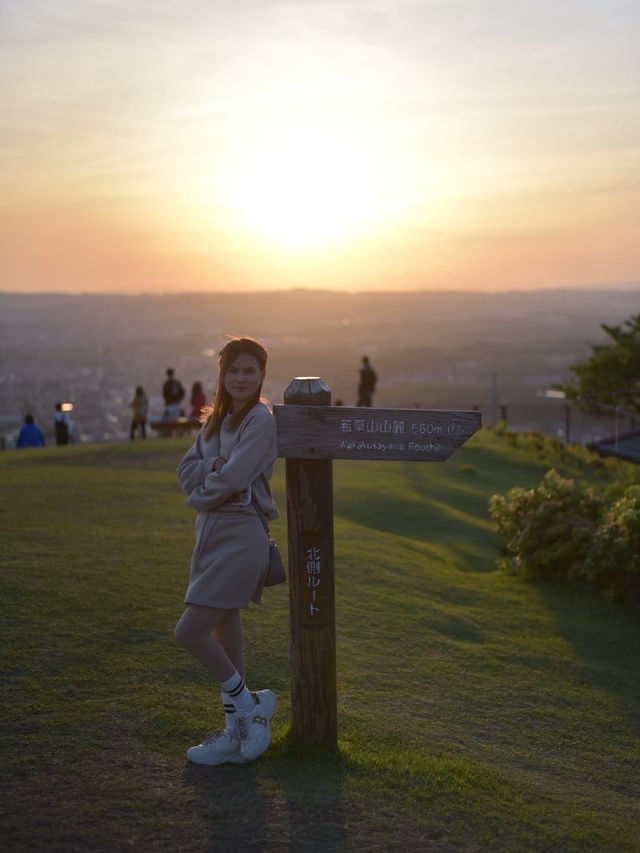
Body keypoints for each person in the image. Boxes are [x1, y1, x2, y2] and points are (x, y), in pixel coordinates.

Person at [174, 337, 279, 766]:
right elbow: (185, 471)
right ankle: (236, 733)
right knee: (225, 628)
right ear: (223, 374)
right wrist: (212, 469)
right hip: (213, 536)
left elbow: (237, 477)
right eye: (233, 370)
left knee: (189, 632)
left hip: (241, 536)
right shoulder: (215, 422)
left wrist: (205, 488)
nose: (240, 378)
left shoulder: (260, 420)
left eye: (249, 370)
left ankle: (250, 703)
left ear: (261, 376)